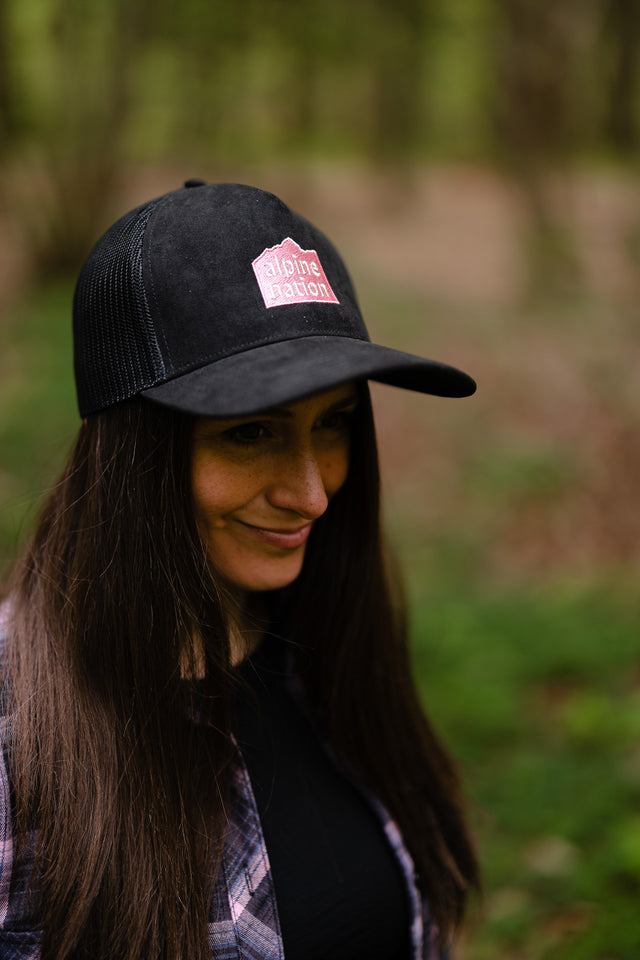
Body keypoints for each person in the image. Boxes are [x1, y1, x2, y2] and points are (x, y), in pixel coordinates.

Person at [0, 180, 480, 960]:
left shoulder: (333, 651)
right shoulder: (17, 734)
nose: (312, 494)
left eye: (334, 423)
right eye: (252, 433)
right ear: (135, 452)